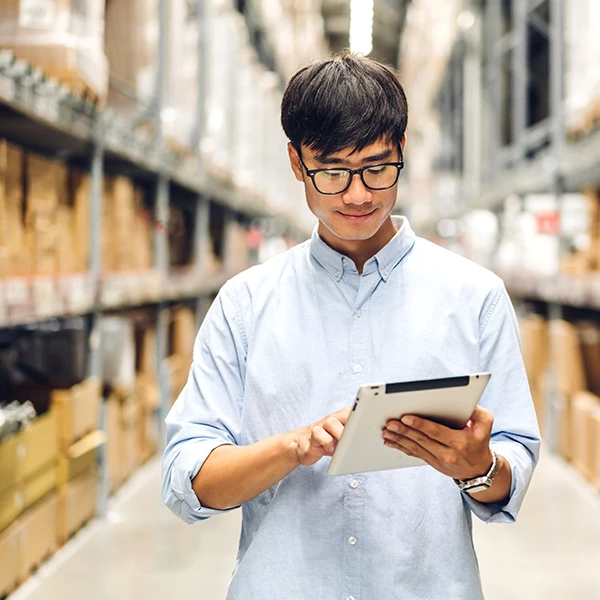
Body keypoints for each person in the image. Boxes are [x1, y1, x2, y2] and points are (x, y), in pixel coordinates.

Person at [162, 51, 540, 600]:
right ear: (296, 162)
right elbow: (187, 480)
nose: (359, 194)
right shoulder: (244, 305)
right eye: (333, 171)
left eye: (377, 168)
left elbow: (512, 465)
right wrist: (292, 448)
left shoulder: (474, 296)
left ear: (402, 152)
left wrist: (479, 467)